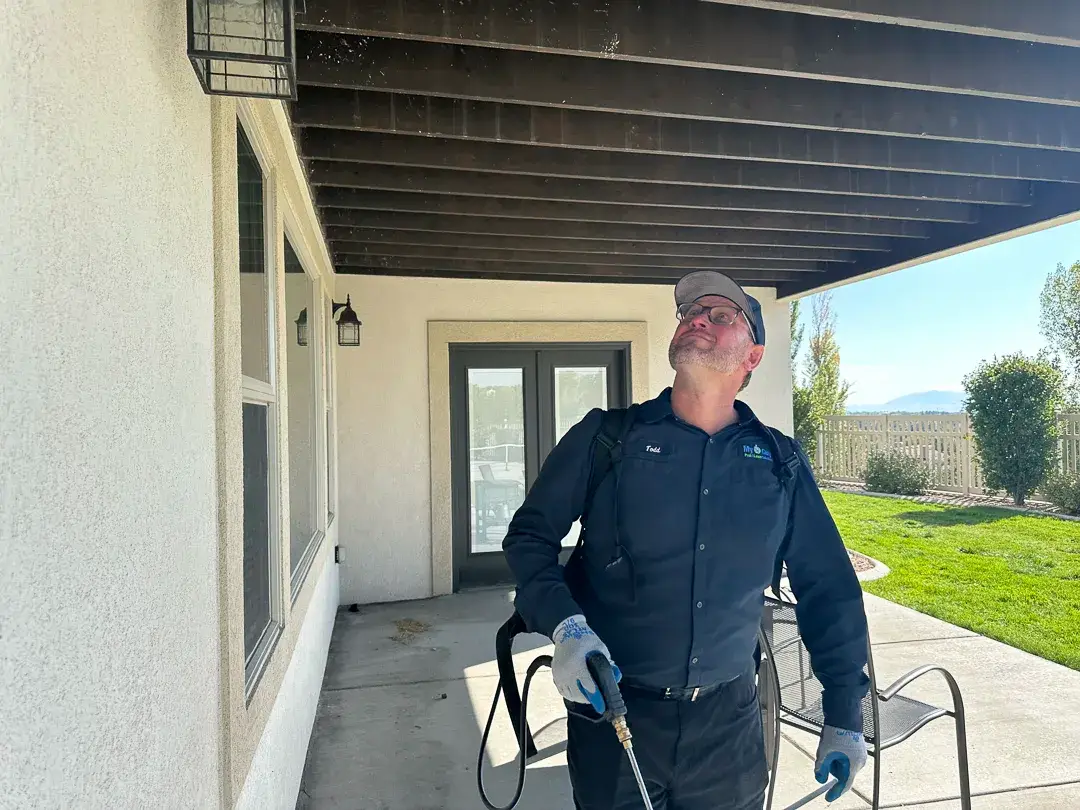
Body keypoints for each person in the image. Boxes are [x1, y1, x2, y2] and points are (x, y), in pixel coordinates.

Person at [502, 270, 871, 810]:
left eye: (720, 315)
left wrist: (844, 715)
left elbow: (828, 588)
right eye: (691, 313)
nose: (698, 319)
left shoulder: (780, 463)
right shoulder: (607, 438)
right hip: (614, 718)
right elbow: (529, 537)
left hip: (730, 730)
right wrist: (566, 627)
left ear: (753, 356)